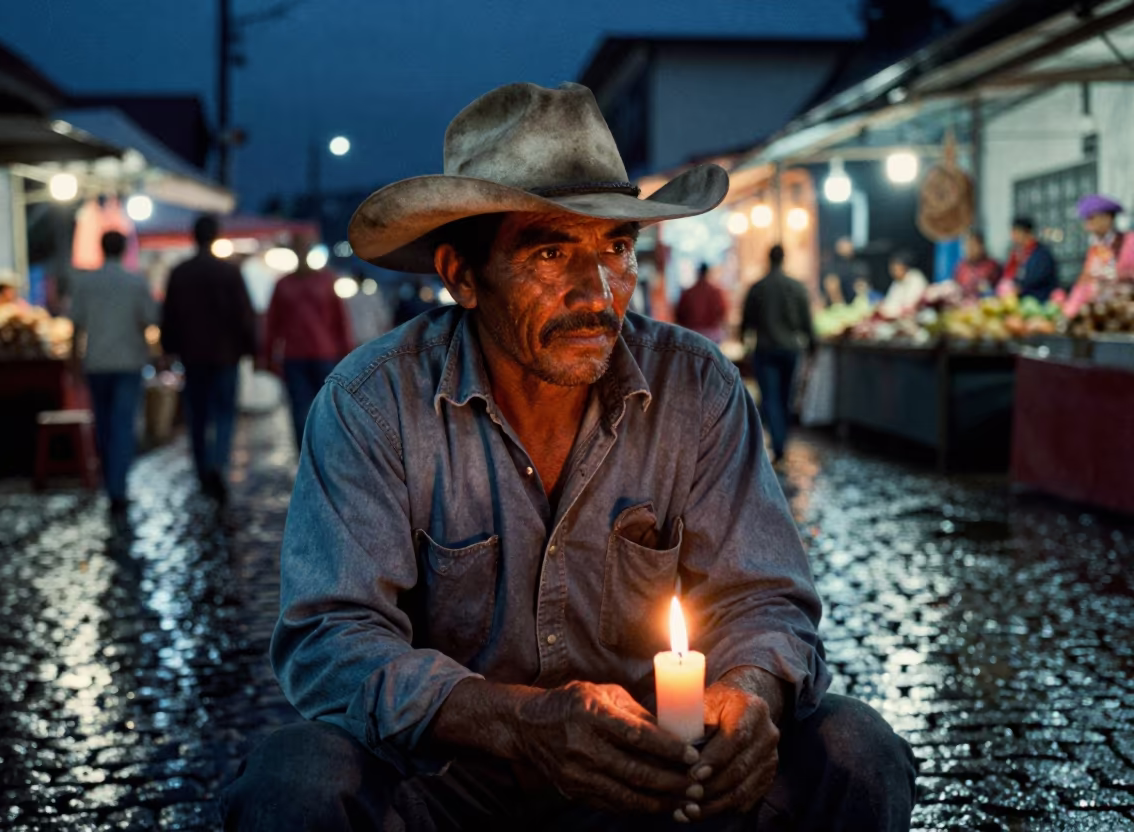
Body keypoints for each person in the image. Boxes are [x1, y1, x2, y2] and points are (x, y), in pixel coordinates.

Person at [222, 81, 914, 831]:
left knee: (855, 746)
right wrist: (512, 722)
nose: (598, 292)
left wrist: (748, 695)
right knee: (294, 778)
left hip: (661, 776)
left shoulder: (696, 386)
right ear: (461, 276)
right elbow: (332, 638)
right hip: (455, 780)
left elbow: (765, 598)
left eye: (616, 248)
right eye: (551, 250)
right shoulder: (373, 403)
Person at [161, 215, 256, 504]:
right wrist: (251, 348)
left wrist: (169, 349)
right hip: (226, 354)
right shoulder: (229, 272)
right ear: (215, 237)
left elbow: (169, 316)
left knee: (198, 416)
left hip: (193, 355)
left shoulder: (180, 272)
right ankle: (218, 464)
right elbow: (244, 314)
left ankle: (203, 470)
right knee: (225, 413)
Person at [68, 231, 157, 513]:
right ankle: (117, 486)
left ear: (101, 248)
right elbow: (150, 320)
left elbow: (76, 327)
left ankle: (111, 483)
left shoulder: (86, 283)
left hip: (96, 363)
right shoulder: (135, 282)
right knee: (122, 425)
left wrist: (73, 361)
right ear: (124, 249)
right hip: (128, 362)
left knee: (104, 425)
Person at [263, 255, 355, 449]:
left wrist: (269, 356)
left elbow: (340, 320)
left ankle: (312, 456)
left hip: (309, 355)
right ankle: (316, 455)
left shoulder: (289, 284)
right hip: (313, 355)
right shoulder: (320, 281)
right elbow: (273, 324)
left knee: (310, 410)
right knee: (314, 410)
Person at [740, 245, 815, 466]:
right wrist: (812, 345)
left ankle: (779, 445)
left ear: (768, 259)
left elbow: (746, 321)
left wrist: (745, 343)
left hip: (765, 349)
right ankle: (782, 442)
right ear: (784, 259)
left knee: (771, 398)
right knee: (786, 397)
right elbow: (806, 321)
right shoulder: (797, 287)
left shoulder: (757, 287)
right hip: (790, 349)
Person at [1064, 195, 1129, 317]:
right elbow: (1084, 283)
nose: (1087, 226)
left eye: (1091, 218)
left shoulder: (1129, 242)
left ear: (1107, 218)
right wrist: (1069, 310)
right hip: (1103, 315)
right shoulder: (1095, 250)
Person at [1002, 217, 1058, 302]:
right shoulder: (1018, 254)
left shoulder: (1042, 255)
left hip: (1040, 301)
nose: (1013, 237)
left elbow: (1036, 280)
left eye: (1015, 233)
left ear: (1026, 233)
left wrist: (1019, 289)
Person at [674, 262, 728, 342]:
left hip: (693, 332)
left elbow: (679, 314)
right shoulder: (715, 292)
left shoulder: (689, 292)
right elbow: (722, 311)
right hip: (710, 333)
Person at [951, 230, 1000, 299]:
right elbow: (955, 288)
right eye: (967, 245)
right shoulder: (960, 267)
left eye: (973, 245)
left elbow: (996, 291)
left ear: (982, 246)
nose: (970, 249)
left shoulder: (991, 266)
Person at [821, 236, 868, 307]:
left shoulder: (858, 265)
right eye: (844, 246)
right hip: (837, 307)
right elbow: (832, 287)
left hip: (855, 305)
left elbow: (862, 286)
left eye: (849, 246)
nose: (848, 248)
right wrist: (839, 307)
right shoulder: (832, 267)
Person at [880, 250, 928, 318]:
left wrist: (889, 311)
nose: (893, 272)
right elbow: (889, 303)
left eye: (895, 269)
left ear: (904, 267)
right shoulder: (896, 283)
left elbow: (910, 304)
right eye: (891, 269)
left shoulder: (915, 278)